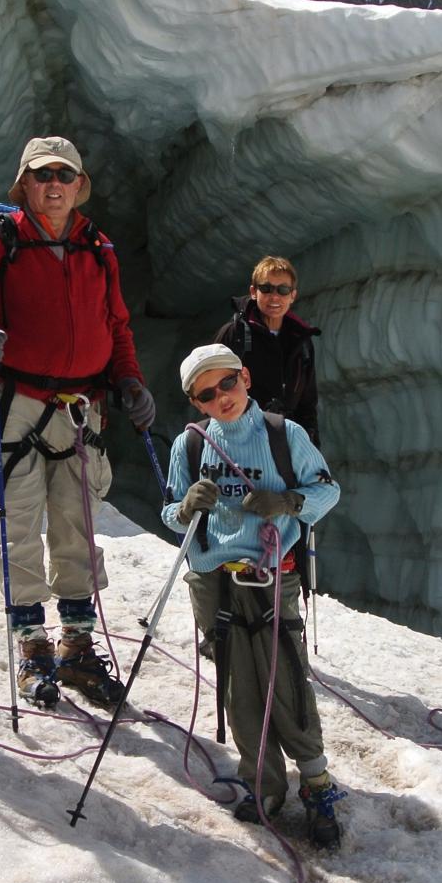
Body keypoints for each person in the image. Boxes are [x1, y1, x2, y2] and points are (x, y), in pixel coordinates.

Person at [0, 135, 155, 708]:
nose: (53, 184)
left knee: (77, 524)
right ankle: (33, 648)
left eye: (64, 174)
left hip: (81, 408)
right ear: (25, 185)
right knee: (20, 525)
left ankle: (77, 648)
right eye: (42, 175)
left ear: (79, 186)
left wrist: (129, 381)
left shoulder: (98, 248)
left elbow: (118, 326)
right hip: (15, 402)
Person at [163, 344, 344, 846]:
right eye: (207, 393)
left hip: (271, 574)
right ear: (196, 402)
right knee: (239, 684)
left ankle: (315, 782)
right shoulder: (192, 446)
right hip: (214, 578)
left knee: (284, 676)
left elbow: (327, 490)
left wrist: (288, 501)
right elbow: (169, 511)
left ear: (244, 377)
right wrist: (185, 508)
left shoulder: (284, 434)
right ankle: (261, 782)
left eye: (227, 383)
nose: (221, 397)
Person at [214, 255, 321, 443]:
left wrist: (311, 449)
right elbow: (212, 387)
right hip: (241, 440)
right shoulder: (234, 333)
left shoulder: (301, 341)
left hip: (287, 442)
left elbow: (307, 403)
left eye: (283, 290)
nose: (274, 296)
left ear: (292, 296)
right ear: (254, 292)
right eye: (266, 288)